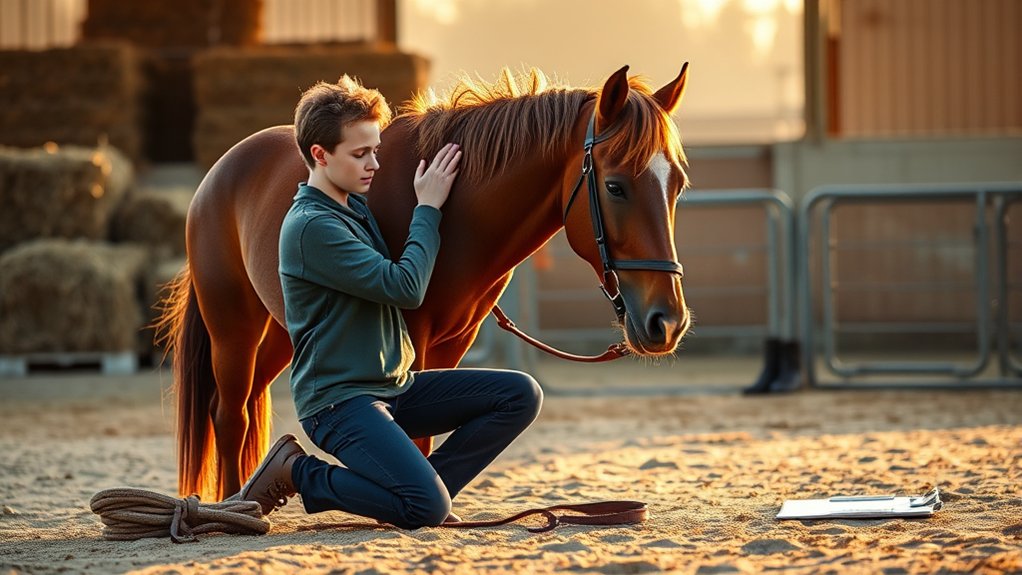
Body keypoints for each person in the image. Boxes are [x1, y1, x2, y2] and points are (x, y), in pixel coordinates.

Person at [235, 76, 543, 529]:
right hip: (340, 403)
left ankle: (415, 492)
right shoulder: (311, 226)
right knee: (427, 510)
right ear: (319, 155)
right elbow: (404, 287)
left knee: (520, 394)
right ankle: (298, 472)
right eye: (360, 154)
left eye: (375, 150)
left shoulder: (352, 207)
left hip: (394, 388)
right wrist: (429, 208)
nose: (374, 164)